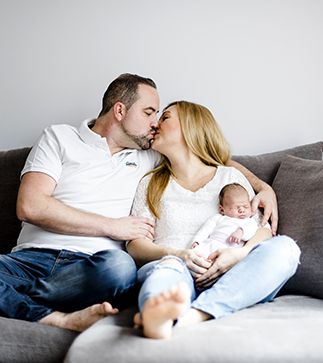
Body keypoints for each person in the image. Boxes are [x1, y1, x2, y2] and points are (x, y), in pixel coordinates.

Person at [0, 74, 278, 332]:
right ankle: (50, 317)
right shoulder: (59, 138)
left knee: (120, 267)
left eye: (159, 116)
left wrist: (263, 187)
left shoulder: (150, 155)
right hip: (26, 263)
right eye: (149, 112)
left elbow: (208, 158)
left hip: (94, 270)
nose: (154, 123)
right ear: (119, 110)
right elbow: (31, 206)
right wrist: (111, 226)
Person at [127, 100, 300, 339]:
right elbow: (135, 244)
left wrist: (239, 254)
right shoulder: (151, 182)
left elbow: (263, 230)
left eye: (165, 117)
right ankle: (158, 311)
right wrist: (178, 255)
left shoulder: (230, 176)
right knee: (166, 272)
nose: (155, 123)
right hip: (176, 266)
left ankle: (192, 315)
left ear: (190, 127)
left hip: (231, 272)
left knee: (286, 249)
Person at [190, 183, 259, 258]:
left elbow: (252, 230)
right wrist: (197, 241)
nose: (242, 210)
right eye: (236, 208)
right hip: (212, 243)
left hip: (232, 250)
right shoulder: (218, 218)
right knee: (195, 254)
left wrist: (241, 232)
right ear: (222, 210)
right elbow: (205, 230)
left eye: (246, 207)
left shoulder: (249, 221)